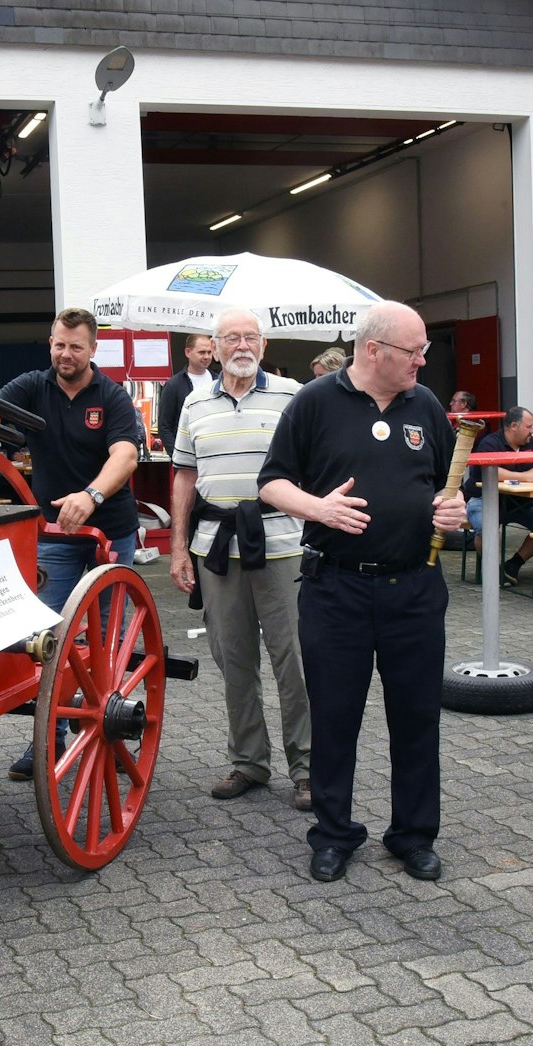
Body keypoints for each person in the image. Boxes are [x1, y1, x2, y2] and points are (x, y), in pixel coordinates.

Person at [257, 301, 463, 884]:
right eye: (413, 351)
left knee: (418, 717)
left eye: (423, 351)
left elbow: (449, 487)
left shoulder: (425, 406)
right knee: (335, 716)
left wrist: (452, 514)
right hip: (335, 589)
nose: (423, 361)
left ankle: (413, 835)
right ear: (373, 350)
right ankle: (333, 833)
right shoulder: (314, 401)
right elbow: (270, 481)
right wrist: (316, 507)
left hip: (414, 590)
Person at [0, 308, 143, 781]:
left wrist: (91, 494)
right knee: (41, 635)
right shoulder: (31, 387)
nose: (65, 354)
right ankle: (49, 740)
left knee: (107, 642)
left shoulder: (113, 397)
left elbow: (126, 453)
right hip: (55, 534)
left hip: (109, 530)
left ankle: (111, 731)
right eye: (59, 344)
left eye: (76, 346)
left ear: (93, 349)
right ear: (50, 343)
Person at [168, 308, 312, 810]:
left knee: (294, 659)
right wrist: (177, 547)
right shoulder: (194, 403)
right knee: (233, 661)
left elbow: (314, 465)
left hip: (282, 547)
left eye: (251, 337)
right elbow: (184, 476)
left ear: (264, 345)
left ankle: (308, 767)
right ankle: (249, 762)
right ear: (215, 346)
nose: (242, 345)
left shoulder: (292, 396)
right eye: (232, 338)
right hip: (216, 549)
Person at [460, 405, 533, 587]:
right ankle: (493, 570)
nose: (532, 431)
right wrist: (524, 476)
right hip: (485, 499)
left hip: (520, 502)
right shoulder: (489, 443)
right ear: (514, 426)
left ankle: (512, 566)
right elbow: (488, 471)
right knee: (485, 527)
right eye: (528, 427)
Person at [157, 333, 213, 455]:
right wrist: (177, 456)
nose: (207, 356)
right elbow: (164, 426)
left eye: (209, 352)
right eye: (202, 352)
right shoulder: (173, 385)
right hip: (186, 455)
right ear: (188, 352)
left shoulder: (219, 381)